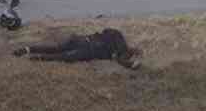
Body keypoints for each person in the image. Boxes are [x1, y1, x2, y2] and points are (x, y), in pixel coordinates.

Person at [13, 28, 141, 69]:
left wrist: (128, 62)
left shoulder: (117, 38)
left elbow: (106, 30)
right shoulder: (119, 49)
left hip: (82, 39)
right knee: (63, 56)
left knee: (56, 49)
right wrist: (130, 64)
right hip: (87, 49)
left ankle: (28, 49)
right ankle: (37, 57)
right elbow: (121, 60)